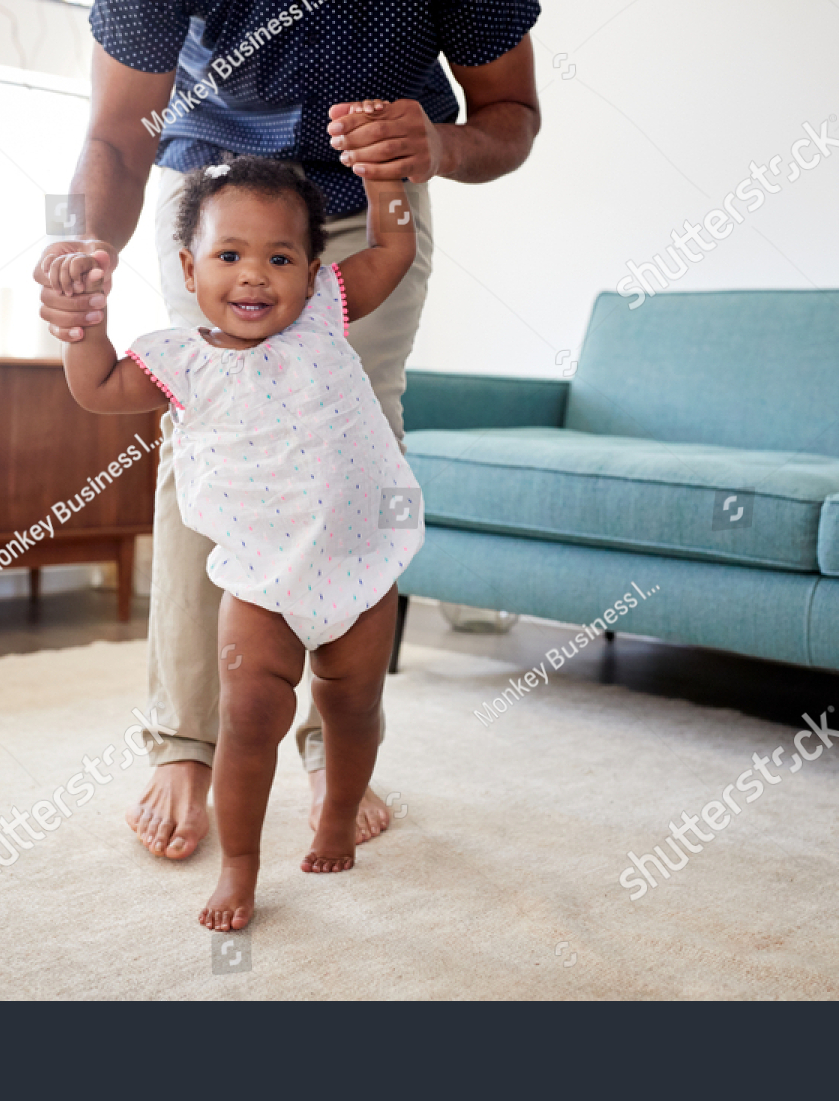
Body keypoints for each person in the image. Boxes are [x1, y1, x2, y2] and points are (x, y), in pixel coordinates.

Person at [35, 1, 541, 861]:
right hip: (214, 204)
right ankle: (190, 741)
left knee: (358, 432)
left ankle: (332, 738)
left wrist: (432, 150)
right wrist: (83, 262)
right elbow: (121, 135)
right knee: (209, 439)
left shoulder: (341, 272)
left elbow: (512, 113)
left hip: (365, 203)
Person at [59, 140, 421, 930]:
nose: (254, 274)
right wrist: (81, 322)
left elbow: (394, 244)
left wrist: (385, 179)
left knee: (353, 705)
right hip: (259, 579)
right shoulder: (181, 362)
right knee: (250, 715)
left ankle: (336, 811)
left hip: (357, 566)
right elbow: (93, 386)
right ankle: (242, 866)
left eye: (280, 257)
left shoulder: (328, 312)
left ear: (312, 270)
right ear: (189, 272)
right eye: (229, 254)